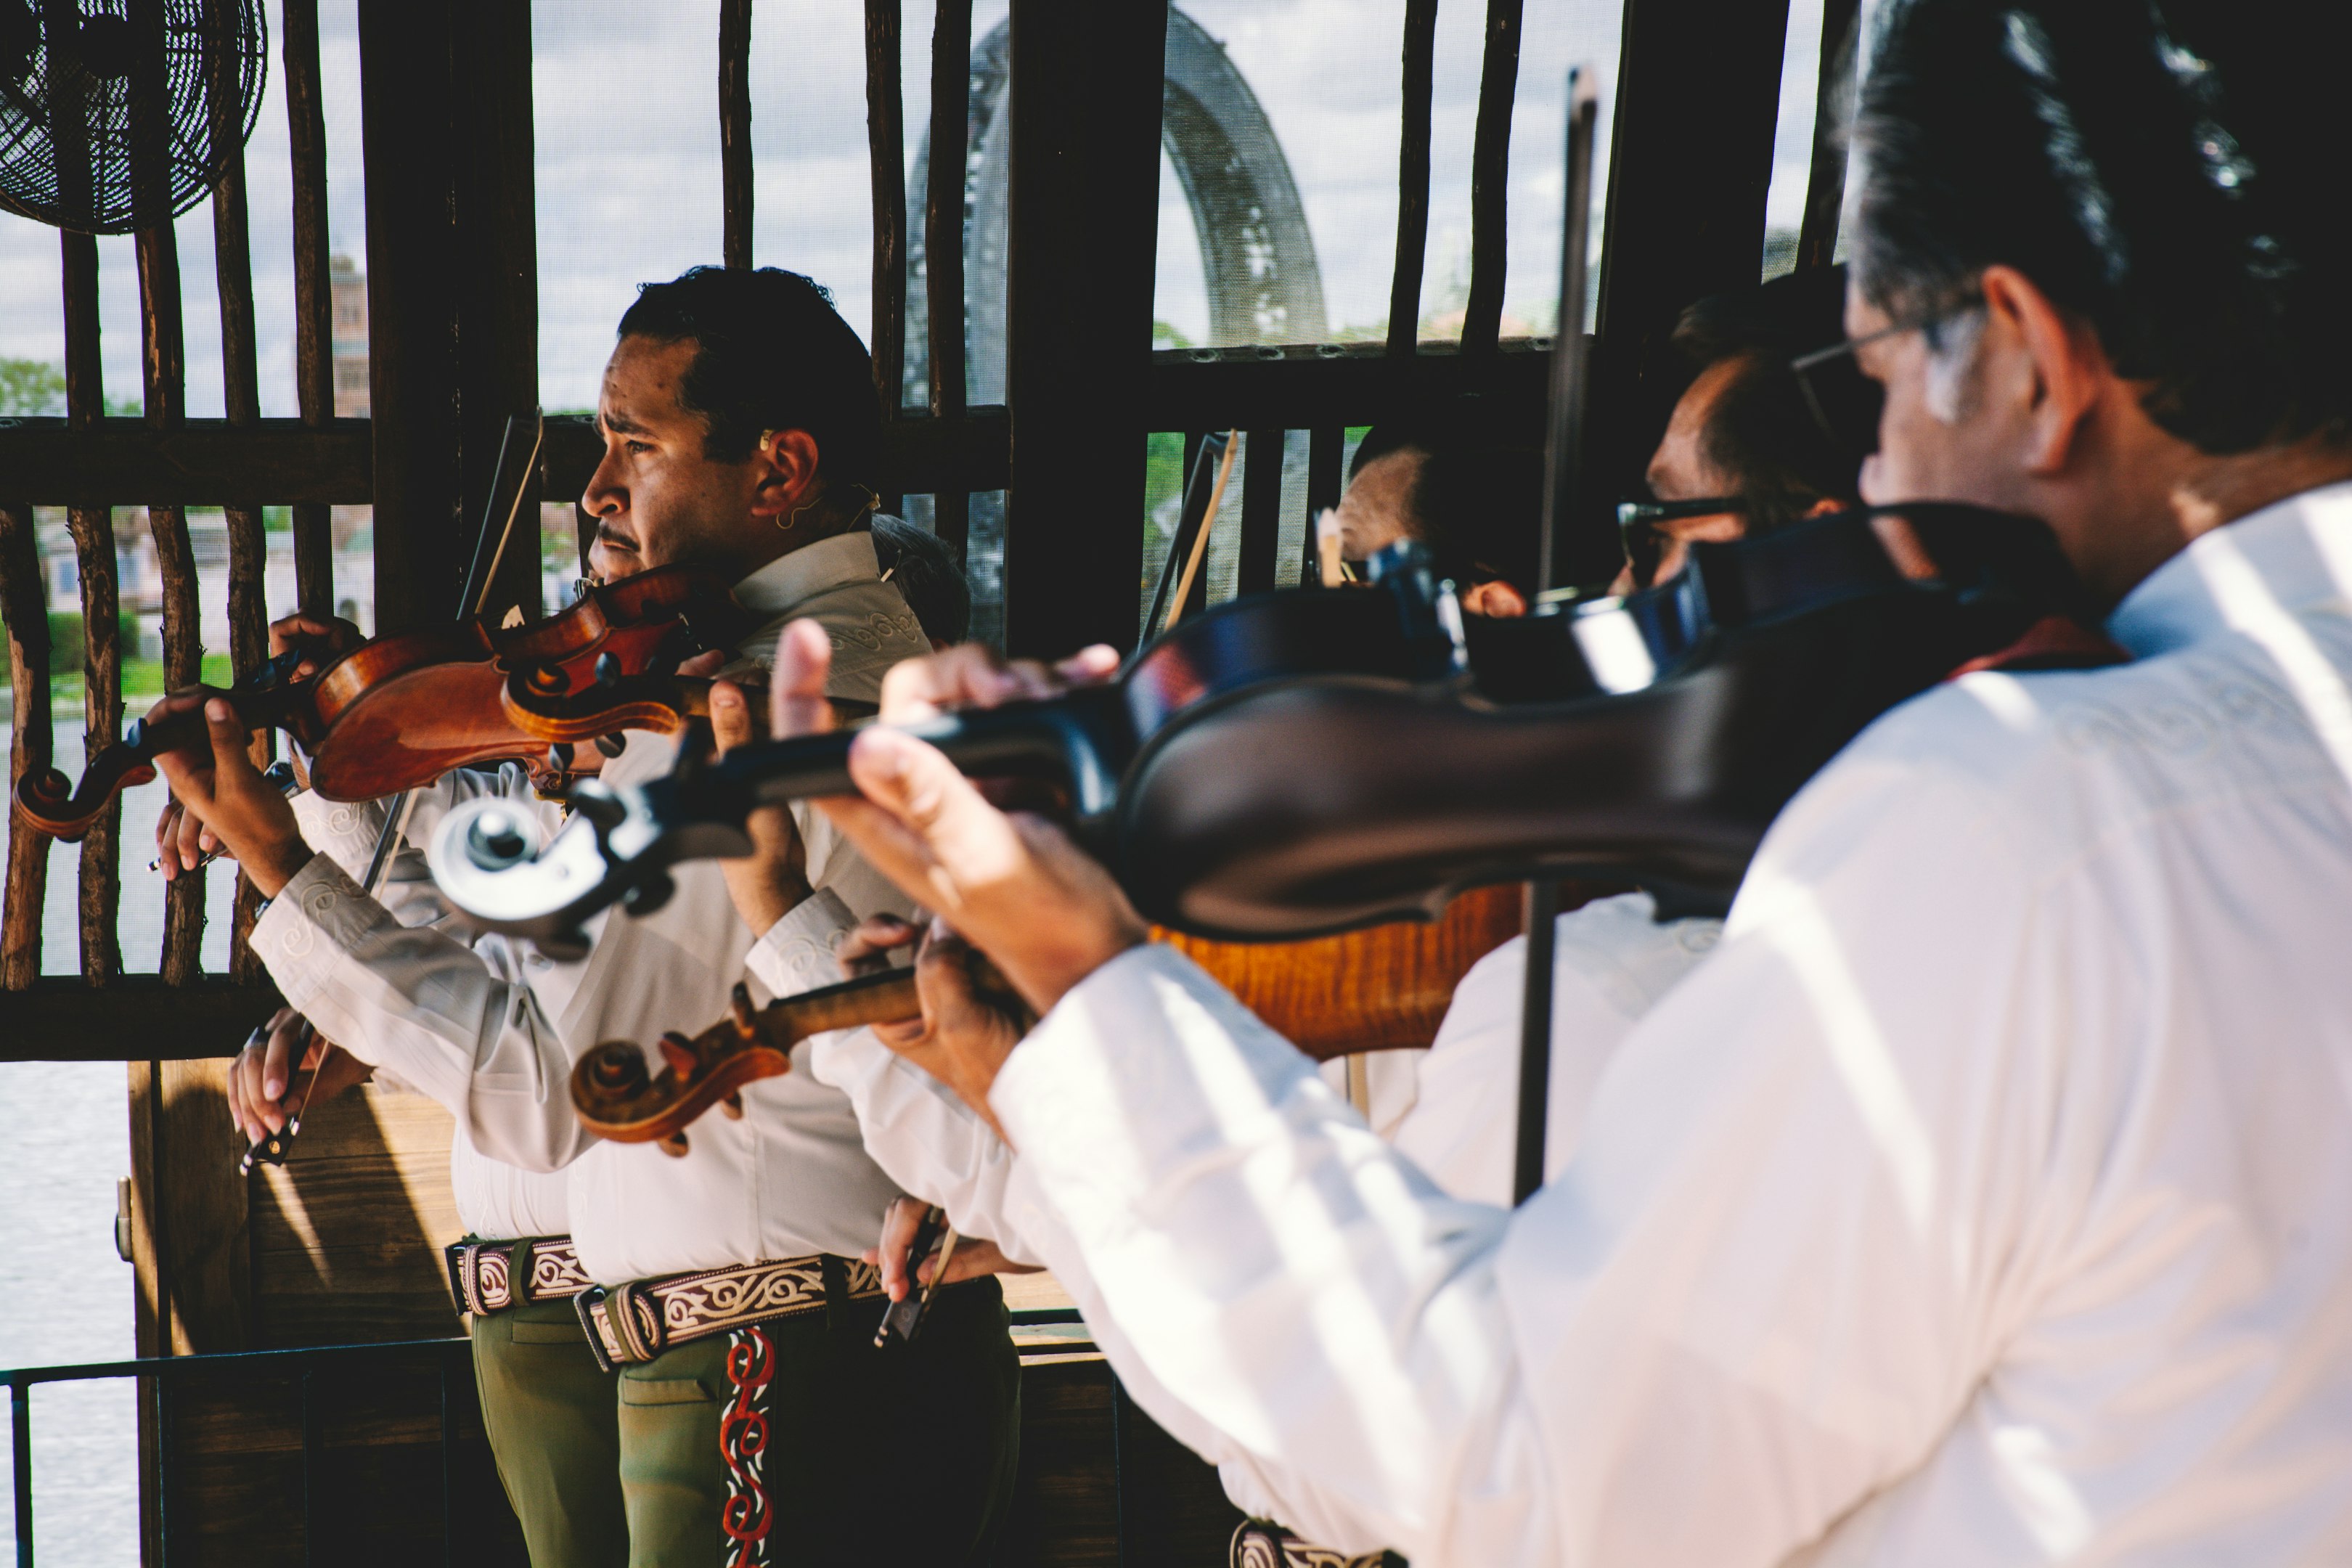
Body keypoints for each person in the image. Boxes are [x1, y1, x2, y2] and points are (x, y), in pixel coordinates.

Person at [755, 1, 2352, 1561]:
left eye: (1879, 374)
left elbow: (1517, 1468)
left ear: (2028, 356)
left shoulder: (2032, 816)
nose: (1874, 482)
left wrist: (1086, 984)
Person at [152, 266, 1019, 1567]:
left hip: (779, 1356)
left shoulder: (750, 711)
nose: (598, 491)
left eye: (636, 444)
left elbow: (554, 1088)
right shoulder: (841, 666)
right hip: (796, 1342)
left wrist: (282, 868)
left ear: (778, 470)